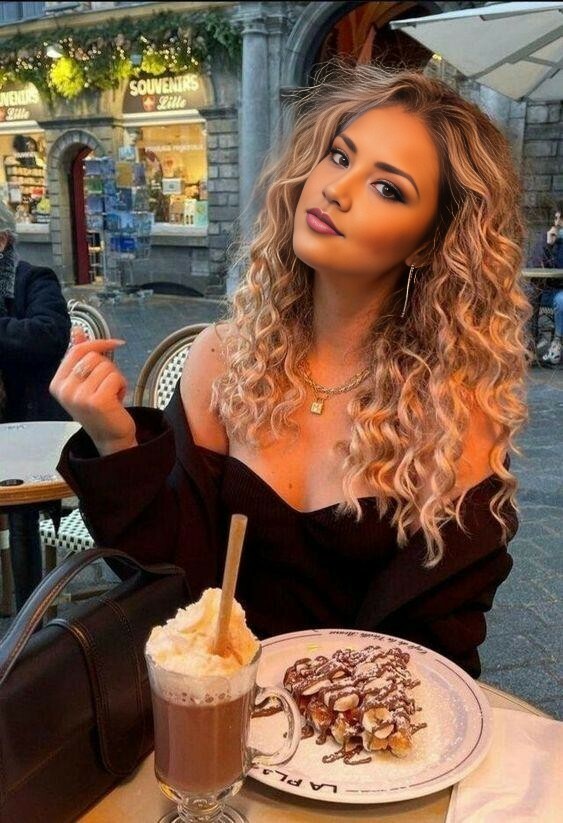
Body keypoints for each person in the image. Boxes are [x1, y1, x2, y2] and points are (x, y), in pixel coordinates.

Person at [51, 61, 532, 678]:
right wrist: (115, 440)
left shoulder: (454, 411)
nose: (337, 189)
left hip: (369, 724)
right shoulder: (225, 358)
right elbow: (172, 583)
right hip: (221, 706)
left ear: (426, 244)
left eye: (388, 188)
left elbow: (439, 645)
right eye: (339, 156)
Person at [0, 200, 71, 609]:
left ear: (3, 241)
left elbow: (48, 335)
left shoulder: (34, 279)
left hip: (29, 426)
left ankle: (30, 621)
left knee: (21, 513)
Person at [537, 208, 563, 366]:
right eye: (556, 218)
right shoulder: (549, 239)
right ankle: (531, 342)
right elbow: (536, 265)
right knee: (527, 296)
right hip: (550, 289)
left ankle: (557, 342)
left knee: (561, 300)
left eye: (561, 219)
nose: (557, 223)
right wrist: (548, 245)